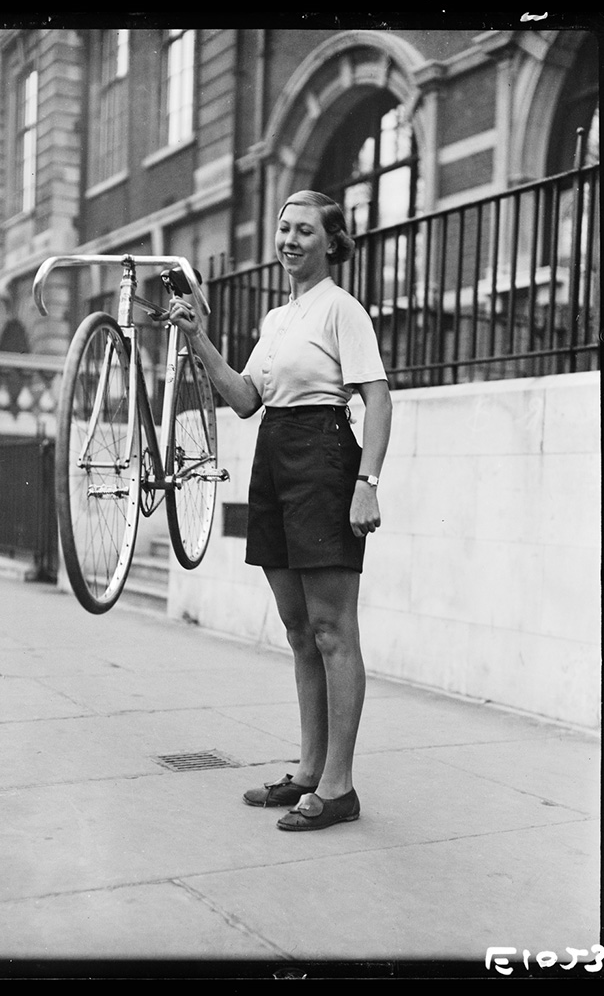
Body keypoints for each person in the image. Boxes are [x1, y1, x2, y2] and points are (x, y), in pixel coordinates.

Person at [167, 190, 392, 831]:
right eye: (283, 228)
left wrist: (367, 482)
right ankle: (308, 772)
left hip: (324, 459)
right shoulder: (275, 319)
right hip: (274, 455)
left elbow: (378, 401)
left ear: (331, 242)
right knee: (298, 631)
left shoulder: (342, 311)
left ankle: (339, 788)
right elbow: (243, 398)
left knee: (331, 630)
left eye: (304, 230)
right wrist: (197, 340)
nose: (289, 239)